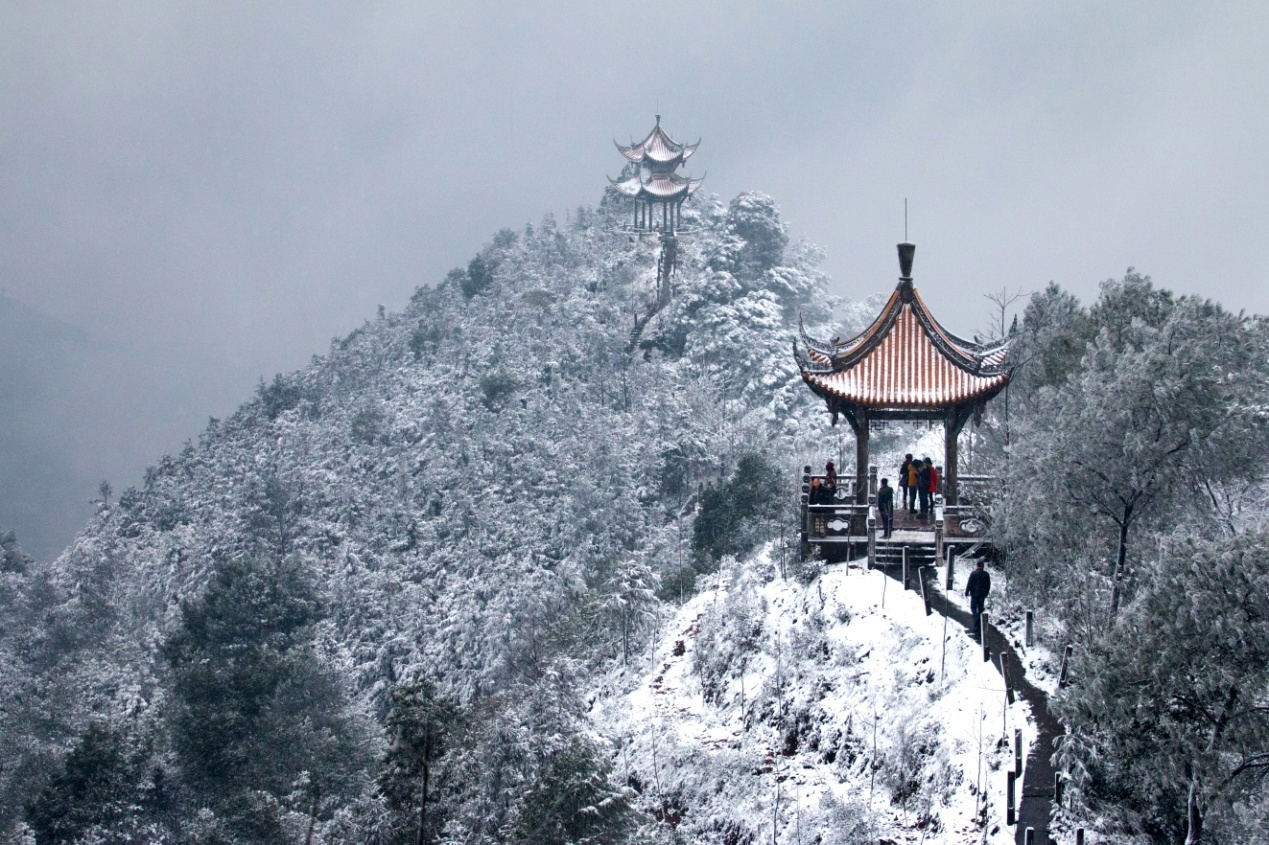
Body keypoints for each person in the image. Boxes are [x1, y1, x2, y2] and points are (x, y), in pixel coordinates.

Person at [966, 560, 991, 639]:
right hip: (982, 594)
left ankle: (976, 618)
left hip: (974, 593)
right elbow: (988, 585)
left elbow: (969, 583)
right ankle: (979, 620)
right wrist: (986, 592)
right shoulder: (986, 574)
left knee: (973, 607)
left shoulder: (973, 574)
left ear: (977, 566)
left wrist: (967, 591)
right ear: (983, 566)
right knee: (981, 607)